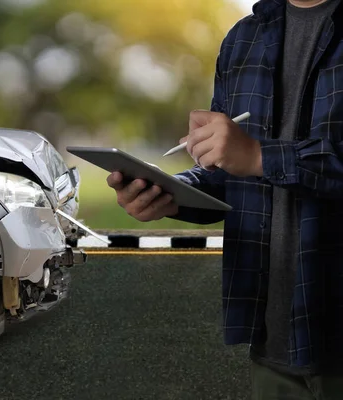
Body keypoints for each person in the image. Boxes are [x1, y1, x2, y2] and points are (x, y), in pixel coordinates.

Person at [106, 0, 343, 398]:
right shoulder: (244, 38)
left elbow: (251, 158)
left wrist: (257, 156)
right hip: (273, 342)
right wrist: (170, 194)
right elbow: (230, 171)